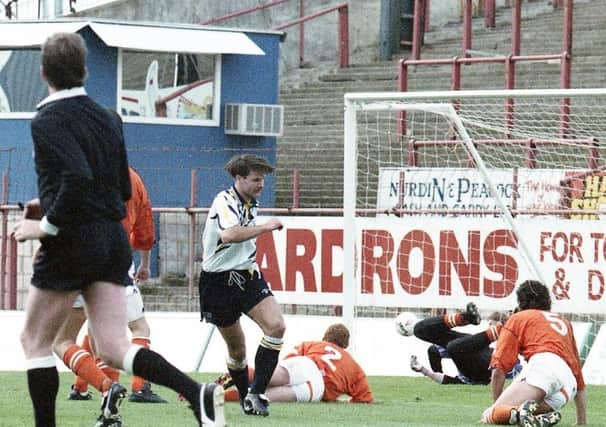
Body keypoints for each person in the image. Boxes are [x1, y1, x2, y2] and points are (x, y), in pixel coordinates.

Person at [13, 32, 223, 427]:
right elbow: (123, 187)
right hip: (112, 238)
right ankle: (196, 393)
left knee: (34, 341)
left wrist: (44, 225)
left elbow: (76, 177)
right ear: (86, 70)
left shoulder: (47, 119)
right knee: (112, 346)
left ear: (43, 73)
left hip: (72, 240)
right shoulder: (109, 116)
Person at [52, 166, 167, 409]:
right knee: (135, 327)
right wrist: (144, 262)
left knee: (65, 338)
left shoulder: (76, 173)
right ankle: (139, 385)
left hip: (76, 261)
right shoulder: (133, 178)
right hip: (115, 262)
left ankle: (97, 386)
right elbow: (145, 229)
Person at [199, 154, 285, 416]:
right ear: (239, 178)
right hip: (218, 282)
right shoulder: (223, 201)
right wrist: (265, 227)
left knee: (276, 326)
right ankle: (247, 396)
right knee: (237, 351)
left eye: (263, 180)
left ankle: (257, 393)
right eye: (256, 180)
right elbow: (230, 234)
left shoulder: (250, 202)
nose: (261, 185)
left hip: (246, 275)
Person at [481, 280, 586, 427]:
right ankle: (534, 418)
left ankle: (515, 413)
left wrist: (497, 407)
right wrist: (582, 421)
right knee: (522, 414)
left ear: (521, 303)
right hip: (567, 386)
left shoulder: (519, 318)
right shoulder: (564, 321)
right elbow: (578, 373)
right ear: (548, 301)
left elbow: (499, 367)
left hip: (545, 368)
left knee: (490, 415)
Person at [219, 323, 373, 404]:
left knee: (271, 376)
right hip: (318, 388)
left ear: (325, 337)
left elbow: (288, 360)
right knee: (270, 396)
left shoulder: (312, 344)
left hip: (307, 364)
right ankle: (227, 397)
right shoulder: (354, 366)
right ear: (345, 345)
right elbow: (365, 398)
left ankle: (240, 374)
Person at [408, 307, 521, 385]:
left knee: (454, 347)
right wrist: (423, 370)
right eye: (490, 323)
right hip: (471, 353)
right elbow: (447, 379)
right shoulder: (462, 362)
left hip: (484, 370)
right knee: (419, 330)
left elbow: (516, 372)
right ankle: (464, 317)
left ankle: (503, 329)